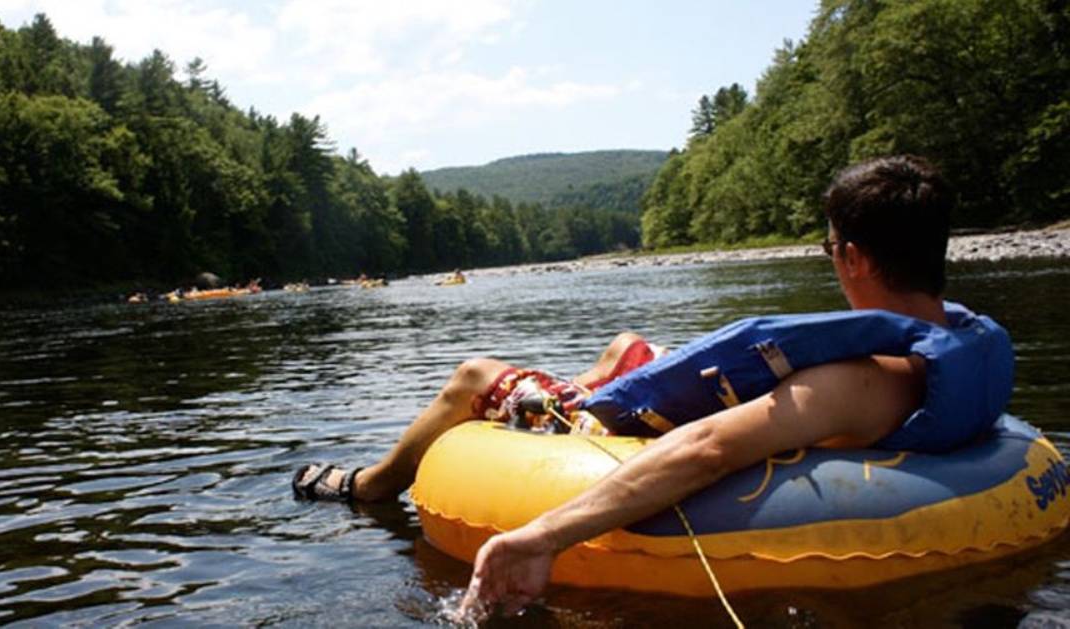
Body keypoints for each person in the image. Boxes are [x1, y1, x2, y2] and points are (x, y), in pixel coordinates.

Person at [291, 155, 1012, 616]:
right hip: (746, 403)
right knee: (626, 349)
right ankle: (609, 370)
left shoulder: (859, 380)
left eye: (830, 248)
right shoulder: (961, 337)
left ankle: (371, 487)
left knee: (475, 374)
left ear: (851, 256)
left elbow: (706, 451)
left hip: (645, 434)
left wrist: (539, 535)